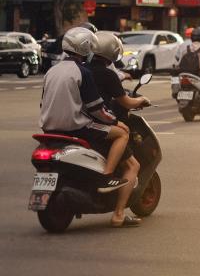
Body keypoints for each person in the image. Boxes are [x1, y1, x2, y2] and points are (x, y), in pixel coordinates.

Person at [39, 27, 129, 194]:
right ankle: (107, 176)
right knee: (122, 133)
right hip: (76, 127)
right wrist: (116, 122)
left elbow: (42, 104)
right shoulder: (82, 72)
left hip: (48, 128)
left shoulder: (51, 71)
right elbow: (97, 109)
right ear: (85, 48)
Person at [89, 32, 149, 227]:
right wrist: (141, 100)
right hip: (98, 125)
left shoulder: (82, 70)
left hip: (78, 122)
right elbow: (126, 102)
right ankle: (119, 213)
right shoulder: (108, 74)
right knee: (133, 165)